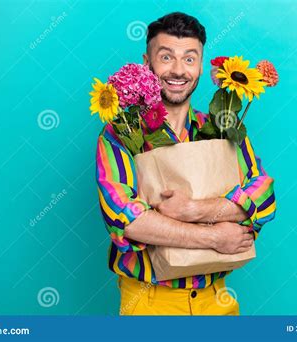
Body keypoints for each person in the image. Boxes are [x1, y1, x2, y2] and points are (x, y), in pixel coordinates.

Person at [96, 12, 276, 315]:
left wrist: (194, 209)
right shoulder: (122, 133)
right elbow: (126, 218)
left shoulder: (221, 128)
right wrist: (215, 235)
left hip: (216, 298)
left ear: (201, 66)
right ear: (146, 62)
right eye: (166, 57)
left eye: (190, 59)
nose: (178, 70)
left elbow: (263, 196)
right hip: (150, 301)